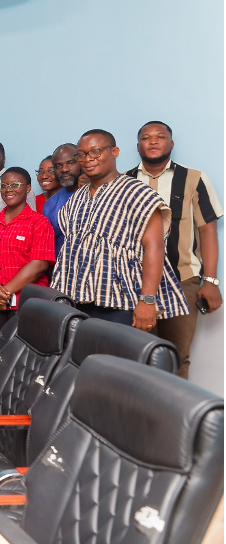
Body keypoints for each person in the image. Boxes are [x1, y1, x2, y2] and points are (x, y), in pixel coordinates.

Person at [51, 130, 189, 327]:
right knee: (78, 357)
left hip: (121, 303)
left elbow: (155, 248)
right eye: (82, 155)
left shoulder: (138, 193)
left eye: (96, 151)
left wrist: (147, 300)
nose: (88, 159)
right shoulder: (77, 198)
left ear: (114, 152)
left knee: (117, 358)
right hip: (75, 300)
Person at [126, 121, 223, 378]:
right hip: (134, 284)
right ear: (138, 146)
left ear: (171, 144)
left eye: (160, 137)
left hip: (183, 280)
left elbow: (207, 231)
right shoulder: (124, 182)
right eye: (147, 138)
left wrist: (211, 280)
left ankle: (173, 418)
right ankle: (140, 416)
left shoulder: (194, 178)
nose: (154, 141)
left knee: (176, 357)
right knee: (138, 357)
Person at [0, 167, 56, 343]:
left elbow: (39, 264)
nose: (8, 189)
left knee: (24, 358)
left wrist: (3, 293)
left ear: (28, 188)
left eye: (15, 184)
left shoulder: (39, 222)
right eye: (4, 185)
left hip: (27, 305)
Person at [43, 143, 81, 257]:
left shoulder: (99, 193)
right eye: (58, 166)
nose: (64, 169)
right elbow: (49, 248)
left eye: (70, 163)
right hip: (65, 270)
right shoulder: (50, 204)